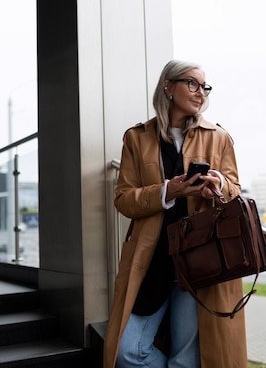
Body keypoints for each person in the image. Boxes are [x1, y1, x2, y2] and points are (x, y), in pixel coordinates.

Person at [103, 60, 247, 368]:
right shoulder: (137, 137)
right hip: (152, 258)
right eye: (192, 84)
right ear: (167, 86)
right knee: (128, 351)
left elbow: (235, 191)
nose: (201, 93)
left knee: (186, 357)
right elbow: (124, 199)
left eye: (205, 87)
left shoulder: (218, 137)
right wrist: (168, 191)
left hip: (200, 260)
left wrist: (218, 185)